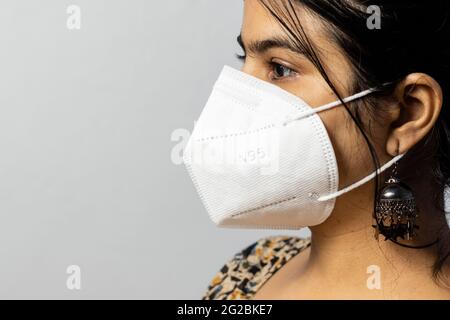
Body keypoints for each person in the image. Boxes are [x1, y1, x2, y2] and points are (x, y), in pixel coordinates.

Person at [186, 0, 450, 299]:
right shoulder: (257, 264)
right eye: (243, 56)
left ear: (407, 114)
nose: (241, 98)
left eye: (280, 68)